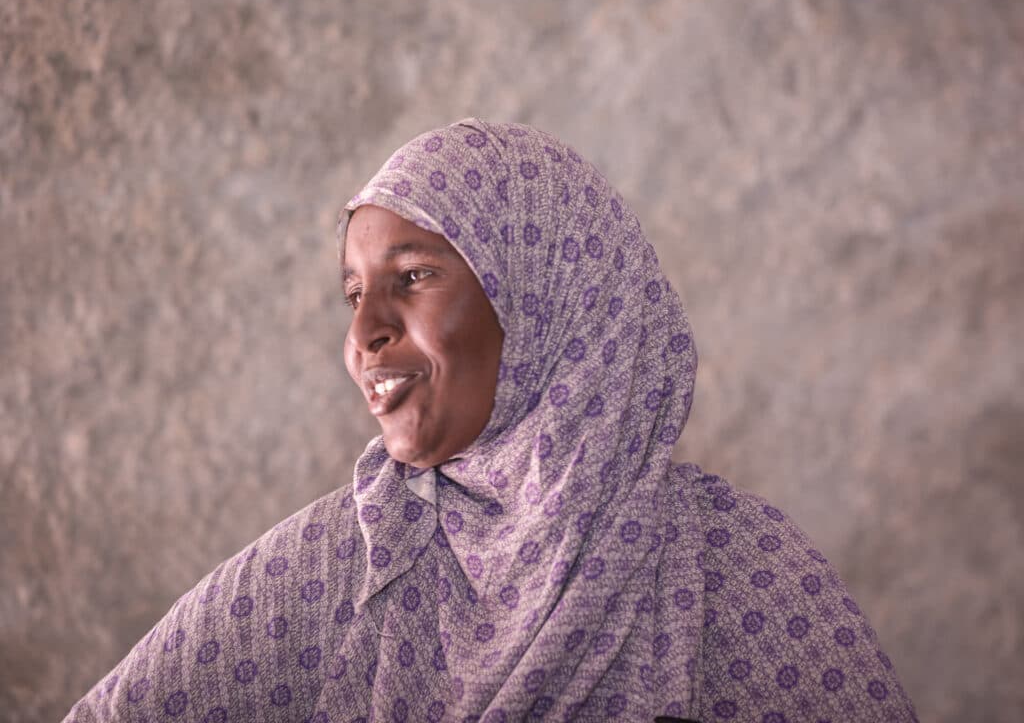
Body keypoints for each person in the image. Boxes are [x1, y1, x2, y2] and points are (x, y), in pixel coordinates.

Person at [64, 119, 916, 722]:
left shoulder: (732, 571)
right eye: (354, 294)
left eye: (414, 277)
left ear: (542, 296)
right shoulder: (343, 569)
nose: (364, 335)